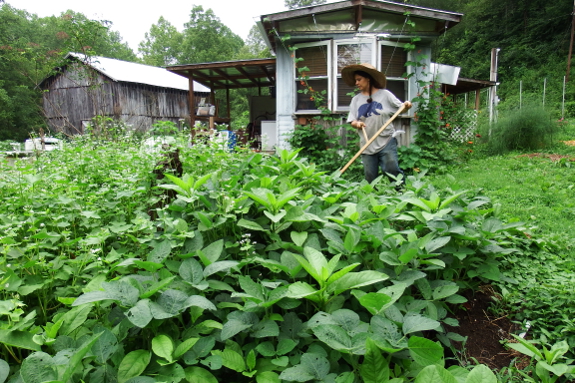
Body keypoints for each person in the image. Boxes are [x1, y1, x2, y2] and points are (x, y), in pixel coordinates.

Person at [343, 63, 412, 184]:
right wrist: (357, 124)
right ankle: (372, 199)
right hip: (367, 143)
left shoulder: (385, 95)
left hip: (385, 139)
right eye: (355, 80)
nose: (356, 83)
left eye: (359, 80)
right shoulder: (356, 100)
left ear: (368, 78)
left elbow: (401, 108)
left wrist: (406, 105)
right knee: (370, 176)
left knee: (392, 169)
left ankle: (401, 192)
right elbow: (352, 120)